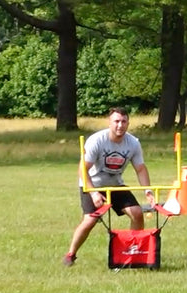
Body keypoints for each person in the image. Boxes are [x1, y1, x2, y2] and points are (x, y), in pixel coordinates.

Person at [63, 107, 155, 267]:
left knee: (137, 213)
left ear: (128, 123)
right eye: (116, 121)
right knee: (90, 220)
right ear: (109, 122)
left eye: (124, 121)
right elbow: (82, 169)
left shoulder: (133, 143)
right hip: (91, 184)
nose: (120, 125)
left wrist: (148, 191)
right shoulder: (97, 140)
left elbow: (140, 168)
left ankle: (132, 252)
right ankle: (71, 254)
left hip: (115, 185)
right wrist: (93, 194)